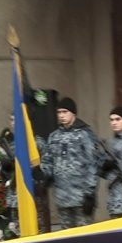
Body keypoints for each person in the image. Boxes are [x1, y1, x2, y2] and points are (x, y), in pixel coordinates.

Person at [45, 97, 104, 229]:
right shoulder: (54, 136)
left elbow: (92, 165)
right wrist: (45, 174)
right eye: (59, 112)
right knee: (66, 240)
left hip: (81, 198)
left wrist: (90, 193)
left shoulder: (85, 134)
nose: (61, 116)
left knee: (85, 239)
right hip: (62, 198)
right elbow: (48, 160)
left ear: (73, 113)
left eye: (65, 112)